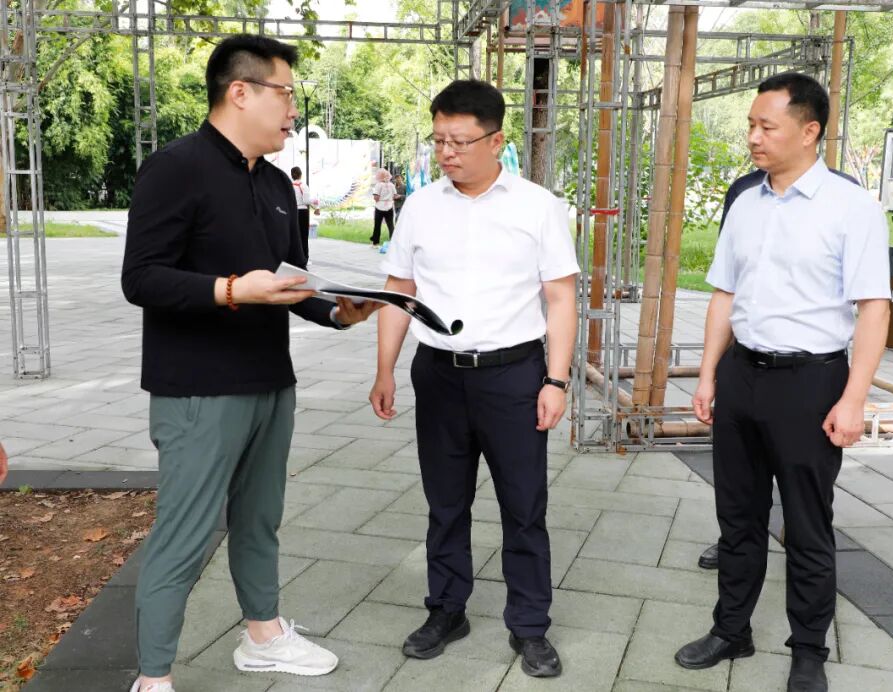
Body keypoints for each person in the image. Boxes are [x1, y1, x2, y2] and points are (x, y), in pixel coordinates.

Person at [121, 34, 379, 692]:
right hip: (198, 391)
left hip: (270, 383)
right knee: (183, 534)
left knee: (260, 520)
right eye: (285, 93)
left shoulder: (275, 183)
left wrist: (338, 312)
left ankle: (262, 636)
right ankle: (153, 678)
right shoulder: (175, 168)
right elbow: (141, 278)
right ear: (240, 92)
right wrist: (233, 289)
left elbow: (288, 282)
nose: (293, 109)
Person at [673, 72, 890, 692]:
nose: (753, 137)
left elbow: (874, 308)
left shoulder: (851, 207)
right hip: (742, 375)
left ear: (810, 130)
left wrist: (854, 399)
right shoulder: (746, 202)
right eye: (751, 125)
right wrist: (708, 376)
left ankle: (809, 650)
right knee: (737, 518)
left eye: (766, 126)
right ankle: (731, 630)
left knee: (807, 525)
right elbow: (724, 294)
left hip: (811, 383)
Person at [368, 79, 579, 678]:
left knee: (523, 506)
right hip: (438, 374)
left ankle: (530, 626)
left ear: (495, 140)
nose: (447, 152)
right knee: (445, 503)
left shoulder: (537, 206)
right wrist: (385, 369)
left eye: (459, 141)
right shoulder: (421, 206)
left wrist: (556, 381)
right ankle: (446, 609)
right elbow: (399, 289)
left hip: (513, 376)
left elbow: (561, 298)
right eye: (439, 140)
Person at [290, 166, 315, 259]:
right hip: (303, 212)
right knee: (303, 236)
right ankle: (304, 258)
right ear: (301, 174)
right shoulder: (303, 185)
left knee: (295, 236)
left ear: (292, 175)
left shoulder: (289, 186)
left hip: (293, 212)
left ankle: (295, 258)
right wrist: (315, 204)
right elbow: (306, 201)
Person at [370, 168, 396, 246]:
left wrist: (378, 199)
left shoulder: (378, 185)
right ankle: (393, 242)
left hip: (380, 206)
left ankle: (375, 242)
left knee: (377, 225)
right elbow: (395, 196)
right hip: (389, 206)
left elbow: (376, 197)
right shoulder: (392, 185)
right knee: (391, 225)